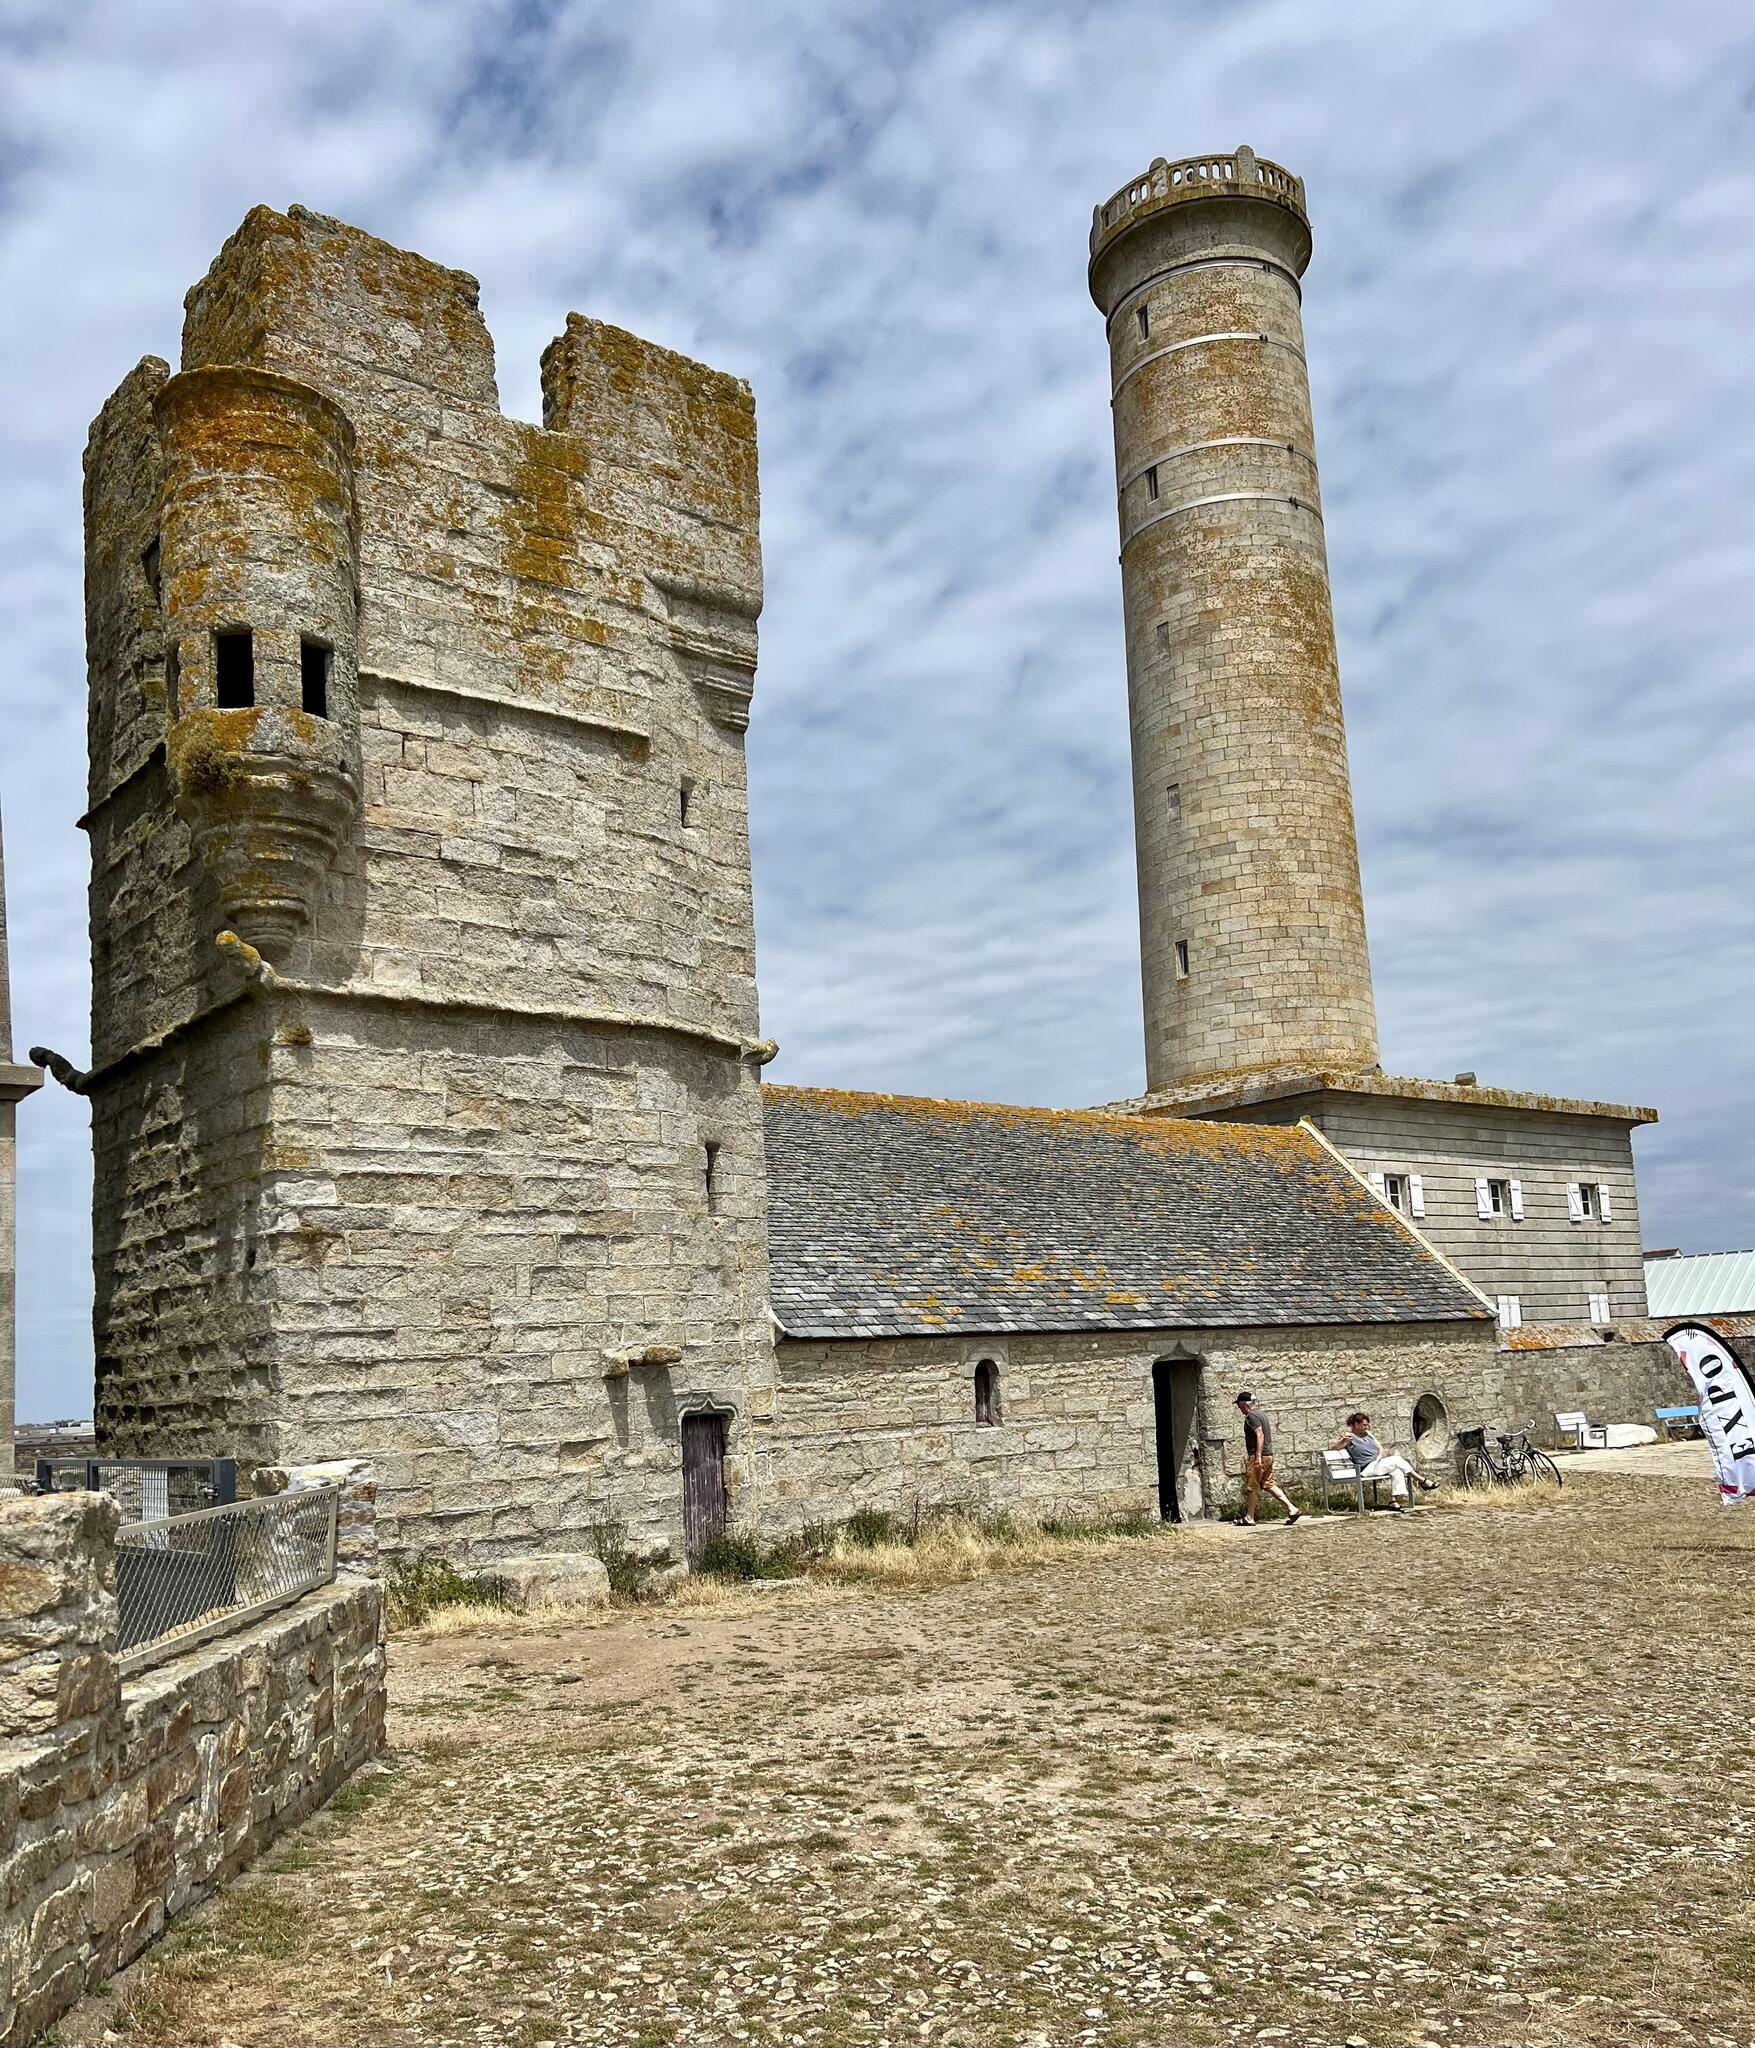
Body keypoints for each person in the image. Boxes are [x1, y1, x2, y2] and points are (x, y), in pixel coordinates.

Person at [1332, 1411, 1438, 1512]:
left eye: (1367, 1425)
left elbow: (1380, 1448)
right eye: (1364, 1425)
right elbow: (1335, 1448)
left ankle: (1393, 1500)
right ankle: (1422, 1481)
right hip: (1366, 1467)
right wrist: (1343, 1441)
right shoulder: (1349, 1437)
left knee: (1397, 1470)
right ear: (1356, 1424)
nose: (1367, 1427)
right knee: (1396, 1459)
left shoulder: (1368, 1434)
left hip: (1377, 1463)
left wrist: (1379, 1457)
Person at [1235, 1391, 1300, 1527]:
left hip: (1258, 1456)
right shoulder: (1262, 1414)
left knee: (1252, 1486)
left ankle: (1249, 1517)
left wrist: (1257, 1456)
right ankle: (1292, 1509)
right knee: (1268, 1484)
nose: (1239, 1409)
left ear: (1244, 1404)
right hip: (1268, 1455)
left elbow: (1260, 1435)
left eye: (1239, 1406)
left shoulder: (1251, 1416)